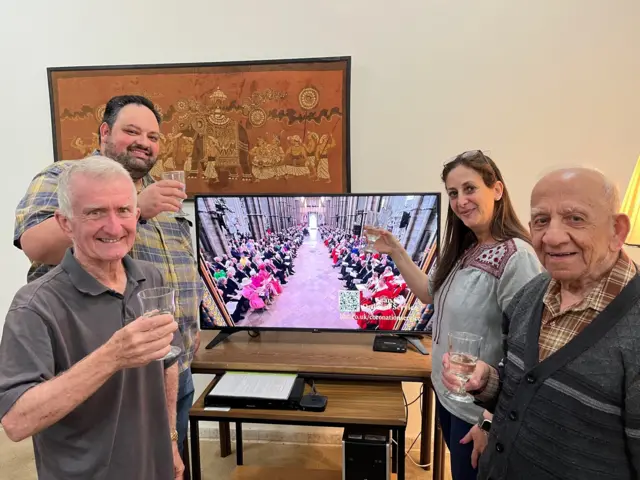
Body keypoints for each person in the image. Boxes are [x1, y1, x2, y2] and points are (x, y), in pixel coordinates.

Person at [13, 95, 200, 468]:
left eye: (153, 136)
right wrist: (137, 208)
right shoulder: (64, 176)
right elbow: (34, 244)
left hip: (171, 369)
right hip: (103, 375)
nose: (145, 142)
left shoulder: (159, 193)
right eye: (132, 131)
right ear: (104, 131)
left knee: (164, 463)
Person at [443, 167, 640, 480]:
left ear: (617, 230)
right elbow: (519, 385)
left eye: (575, 218)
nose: (553, 237)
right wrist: (487, 382)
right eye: (541, 220)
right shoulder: (532, 295)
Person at [0, 157, 183, 479]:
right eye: (95, 212)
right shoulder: (34, 305)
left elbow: (168, 362)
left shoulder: (150, 278)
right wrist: (113, 356)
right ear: (66, 223)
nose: (113, 227)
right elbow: (16, 422)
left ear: (137, 214)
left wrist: (170, 440)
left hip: (154, 467)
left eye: (123, 210)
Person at [365, 150, 542, 480]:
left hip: (479, 411)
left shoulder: (517, 256)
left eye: (470, 188)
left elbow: (528, 348)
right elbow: (428, 293)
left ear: (498, 190)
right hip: (450, 398)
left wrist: (490, 418)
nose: (461, 201)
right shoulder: (467, 247)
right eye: (453, 193)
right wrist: (397, 252)